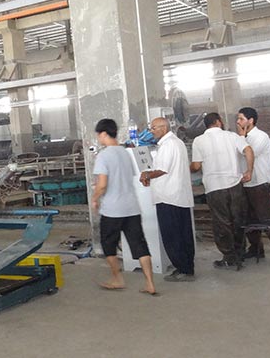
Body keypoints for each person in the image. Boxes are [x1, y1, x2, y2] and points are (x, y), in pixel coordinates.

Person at [91, 119, 157, 296]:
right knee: (139, 245)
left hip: (112, 210)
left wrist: (95, 198)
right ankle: (150, 283)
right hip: (132, 207)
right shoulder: (126, 153)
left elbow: (102, 184)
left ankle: (117, 279)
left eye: (98, 135)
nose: (98, 138)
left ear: (104, 134)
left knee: (109, 245)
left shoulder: (103, 156)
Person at [190, 112, 254, 269]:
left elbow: (196, 166)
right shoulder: (231, 136)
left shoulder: (199, 140)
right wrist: (249, 171)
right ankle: (240, 253)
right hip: (235, 185)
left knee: (222, 223)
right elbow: (248, 150)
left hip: (215, 189)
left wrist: (188, 167)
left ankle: (229, 257)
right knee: (238, 220)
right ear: (218, 122)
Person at [140, 117, 196, 282]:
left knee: (172, 236)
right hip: (179, 196)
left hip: (168, 197)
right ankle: (187, 267)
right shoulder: (177, 143)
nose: (151, 132)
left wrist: (146, 174)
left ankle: (183, 269)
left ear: (163, 128)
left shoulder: (167, 145)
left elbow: (162, 169)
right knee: (183, 234)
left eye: (153, 128)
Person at [237, 107, 270, 262]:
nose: (238, 122)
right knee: (249, 220)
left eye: (241, 119)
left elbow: (249, 153)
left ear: (251, 120)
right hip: (245, 184)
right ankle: (256, 249)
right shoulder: (241, 138)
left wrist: (241, 138)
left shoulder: (261, 136)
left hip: (259, 183)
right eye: (237, 119)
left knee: (267, 218)